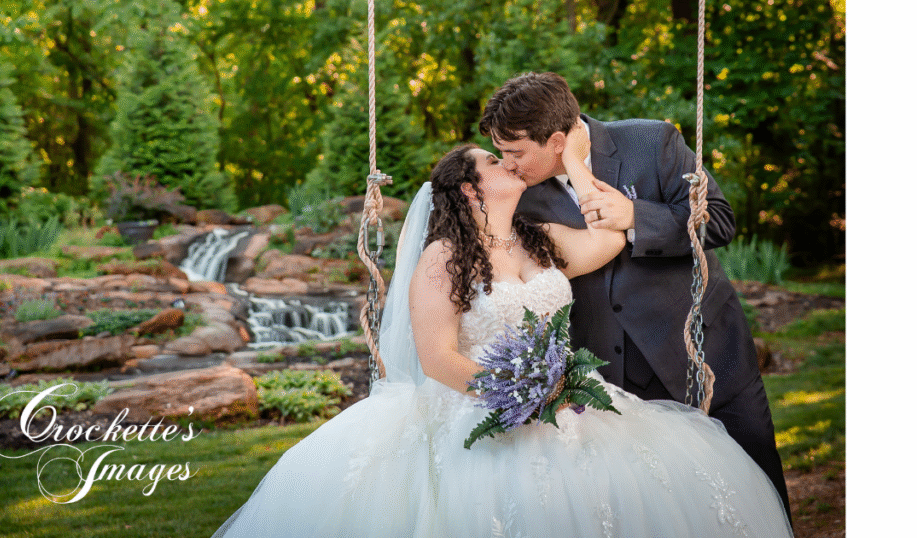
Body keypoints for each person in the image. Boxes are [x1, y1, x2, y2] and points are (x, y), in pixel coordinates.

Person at [210, 139, 793, 537]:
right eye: (493, 160)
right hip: (479, 410)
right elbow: (437, 358)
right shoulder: (443, 258)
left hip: (567, 404)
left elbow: (611, 235)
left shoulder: (541, 238)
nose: (509, 163)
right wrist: (519, 394)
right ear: (469, 190)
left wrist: (577, 164)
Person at [479, 71, 792, 522]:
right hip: (614, 376)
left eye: (515, 152)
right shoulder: (519, 194)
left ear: (556, 141)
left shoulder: (651, 142)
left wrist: (634, 215)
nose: (507, 165)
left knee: (756, 482)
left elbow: (719, 221)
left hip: (707, 353)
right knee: (663, 509)